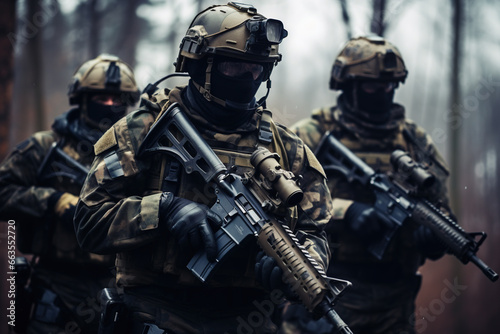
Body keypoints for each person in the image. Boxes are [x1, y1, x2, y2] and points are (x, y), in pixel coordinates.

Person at [73, 2, 333, 334]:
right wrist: (163, 210)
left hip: (249, 319)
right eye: (233, 67)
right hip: (157, 314)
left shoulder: (287, 148)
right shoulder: (140, 131)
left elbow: (317, 231)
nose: (247, 78)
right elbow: (89, 222)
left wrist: (297, 265)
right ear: (198, 65)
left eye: (257, 69)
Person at [286, 35, 452, 334]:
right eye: (374, 86)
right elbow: (278, 204)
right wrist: (346, 212)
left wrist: (434, 236)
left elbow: (441, 207)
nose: (384, 92)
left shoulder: (414, 141)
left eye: (390, 85)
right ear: (348, 85)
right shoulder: (309, 136)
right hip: (326, 290)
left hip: (395, 301)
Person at [0, 54, 140, 334]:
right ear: (82, 99)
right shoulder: (44, 148)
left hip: (119, 287)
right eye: (102, 98)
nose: (111, 106)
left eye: (118, 99)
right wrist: (53, 201)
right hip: (56, 283)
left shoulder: (139, 154)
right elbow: (4, 192)